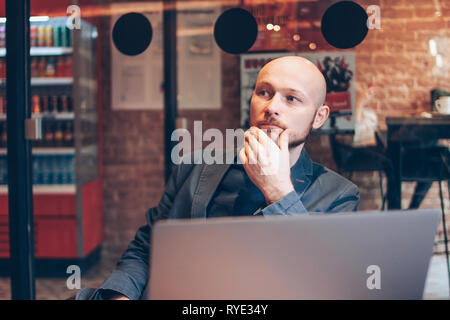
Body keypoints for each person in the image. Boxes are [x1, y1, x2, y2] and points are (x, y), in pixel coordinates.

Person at [76, 56, 360, 300]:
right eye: (264, 92)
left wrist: (279, 191)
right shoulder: (196, 166)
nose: (272, 107)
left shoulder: (338, 194)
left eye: (291, 99)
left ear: (319, 116)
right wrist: (120, 295)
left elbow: (320, 282)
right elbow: (147, 247)